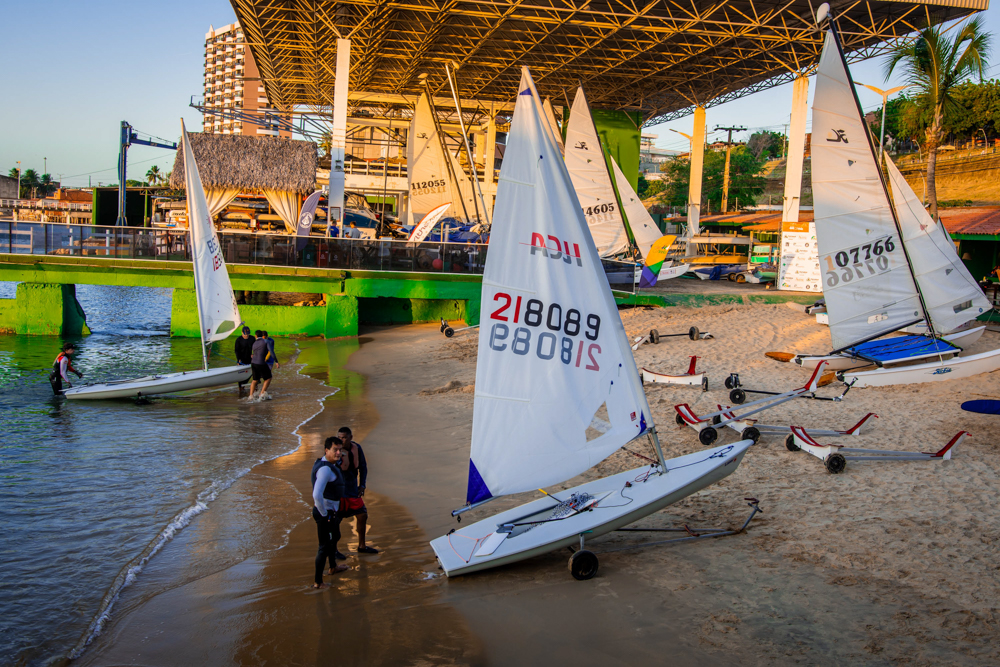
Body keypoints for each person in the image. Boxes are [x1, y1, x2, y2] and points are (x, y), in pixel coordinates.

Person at [312, 436, 349, 588]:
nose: (338, 453)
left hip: (331, 512)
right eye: (335, 450)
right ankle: (318, 582)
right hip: (325, 513)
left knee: (334, 538)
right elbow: (316, 495)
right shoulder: (325, 469)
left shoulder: (329, 463)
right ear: (326, 450)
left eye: (340, 450)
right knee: (324, 547)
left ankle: (333, 567)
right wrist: (324, 514)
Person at [337, 426, 378, 554]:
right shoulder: (335, 450)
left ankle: (362, 546)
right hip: (339, 493)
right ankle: (334, 550)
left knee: (362, 515)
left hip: (353, 491)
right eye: (340, 438)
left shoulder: (357, 448)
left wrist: (362, 485)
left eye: (344, 438)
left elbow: (363, 468)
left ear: (350, 438)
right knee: (335, 521)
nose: (342, 440)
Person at [246, 330, 273, 402]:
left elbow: (253, 353)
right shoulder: (266, 341)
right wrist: (276, 361)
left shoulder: (254, 343)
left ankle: (251, 396)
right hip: (261, 363)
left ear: (256, 336)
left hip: (253, 363)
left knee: (255, 380)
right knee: (268, 378)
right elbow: (271, 352)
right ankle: (261, 394)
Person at [234, 326, 254, 397]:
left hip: (251, 359)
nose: (246, 335)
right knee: (241, 375)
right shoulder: (239, 340)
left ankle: (255, 388)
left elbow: (255, 347)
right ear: (242, 333)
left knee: (253, 373)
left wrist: (254, 353)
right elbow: (236, 350)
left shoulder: (252, 338)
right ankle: (241, 389)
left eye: (248, 334)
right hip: (242, 359)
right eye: (245, 334)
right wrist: (238, 359)